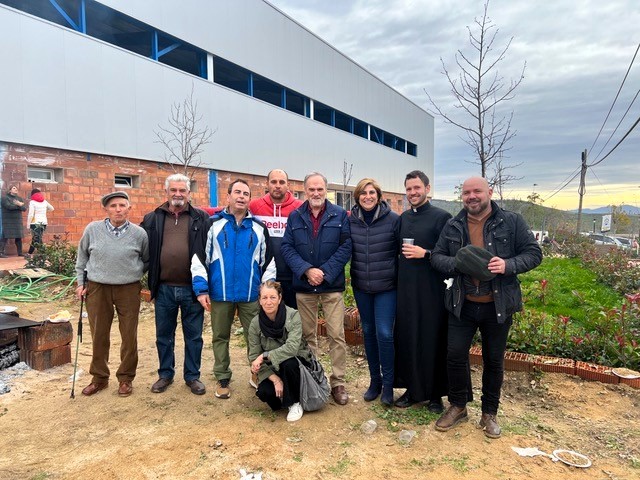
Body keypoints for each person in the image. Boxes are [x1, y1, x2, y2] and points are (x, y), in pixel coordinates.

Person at [431, 176, 542, 438]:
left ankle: (489, 413)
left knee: (494, 360)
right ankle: (458, 406)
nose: (472, 196)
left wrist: (507, 265)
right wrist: (458, 264)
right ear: (462, 197)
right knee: (455, 355)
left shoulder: (511, 221)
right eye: (467, 192)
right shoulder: (453, 224)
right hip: (462, 303)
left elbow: (534, 253)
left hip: (498, 306)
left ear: (489, 192)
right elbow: (436, 257)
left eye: (477, 191)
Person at [191, 179, 275, 400]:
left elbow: (268, 262)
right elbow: (199, 259)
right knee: (220, 336)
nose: (241, 197)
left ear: (250, 199)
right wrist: (201, 290)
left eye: (246, 194)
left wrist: (266, 291)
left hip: (250, 296)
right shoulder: (213, 225)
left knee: (256, 336)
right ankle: (222, 377)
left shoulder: (258, 228)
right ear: (227, 196)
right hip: (221, 294)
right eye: (237, 192)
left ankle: (257, 373)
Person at [281, 172, 352, 405]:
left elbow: (346, 247)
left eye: (320, 189)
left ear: (326, 190)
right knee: (307, 336)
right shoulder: (295, 216)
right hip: (304, 285)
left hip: (331, 286)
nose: (316, 193)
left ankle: (338, 382)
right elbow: (287, 248)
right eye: (311, 189)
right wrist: (307, 270)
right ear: (304, 190)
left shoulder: (340, 215)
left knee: (336, 335)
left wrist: (325, 272)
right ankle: (313, 378)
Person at [141, 174, 210, 395]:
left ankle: (192, 376)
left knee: (194, 337)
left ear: (189, 193)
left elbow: (210, 252)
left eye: (182, 190)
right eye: (174, 190)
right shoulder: (153, 218)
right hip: (164, 289)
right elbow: (138, 248)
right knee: (164, 335)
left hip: (193, 290)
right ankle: (165, 375)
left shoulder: (201, 218)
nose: (178, 194)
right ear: (166, 192)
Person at [75, 191, 149, 397]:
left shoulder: (139, 234)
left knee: (129, 334)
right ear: (106, 209)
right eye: (114, 206)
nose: (118, 209)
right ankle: (99, 378)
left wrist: (132, 273)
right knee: (98, 334)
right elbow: (82, 259)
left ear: (129, 208)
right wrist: (81, 283)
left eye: (122, 205)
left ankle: (126, 378)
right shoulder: (92, 229)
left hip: (128, 288)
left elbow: (146, 259)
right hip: (98, 288)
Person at [394, 170, 452, 411]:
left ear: (428, 189)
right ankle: (413, 390)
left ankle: (436, 394)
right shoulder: (403, 218)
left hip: (432, 292)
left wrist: (425, 253)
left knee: (432, 340)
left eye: (417, 188)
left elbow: (452, 255)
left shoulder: (443, 218)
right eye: (408, 189)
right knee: (409, 338)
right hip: (407, 290)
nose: (412, 193)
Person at [349, 178, 400, 406]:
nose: (367, 196)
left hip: (387, 287)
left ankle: (389, 385)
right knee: (368, 332)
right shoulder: (350, 222)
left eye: (372, 193)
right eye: (363, 193)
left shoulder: (393, 220)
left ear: (379, 196)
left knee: (385, 334)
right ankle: (375, 382)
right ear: (357, 197)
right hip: (362, 286)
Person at [248, 280, 312, 422]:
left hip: (295, 363)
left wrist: (265, 355)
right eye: (264, 298)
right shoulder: (255, 323)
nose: (268, 302)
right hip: (272, 368)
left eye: (273, 297)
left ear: (280, 298)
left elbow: (292, 348)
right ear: (259, 300)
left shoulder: (293, 315)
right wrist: (275, 379)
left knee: (288, 363)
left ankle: (295, 402)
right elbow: (253, 355)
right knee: (265, 393)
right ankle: (284, 392)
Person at [249, 169, 303, 309]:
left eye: (281, 182)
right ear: (267, 184)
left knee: (292, 318)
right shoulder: (254, 206)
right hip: (265, 274)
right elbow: (230, 210)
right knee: (268, 319)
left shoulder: (300, 207)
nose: (277, 185)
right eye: (273, 182)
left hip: (292, 275)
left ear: (288, 185)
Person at [0, 184, 27, 258]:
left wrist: (19, 205)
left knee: (18, 236)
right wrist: (19, 205)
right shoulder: (5, 198)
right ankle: (1, 252)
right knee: (5, 236)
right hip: (8, 220)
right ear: (10, 190)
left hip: (17, 220)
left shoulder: (19, 198)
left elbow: (24, 209)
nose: (16, 189)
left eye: (16, 188)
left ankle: (20, 253)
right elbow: (9, 206)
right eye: (14, 188)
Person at [26, 188, 54, 255]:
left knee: (36, 238)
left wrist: (28, 224)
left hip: (35, 223)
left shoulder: (32, 202)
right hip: (43, 222)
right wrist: (43, 211)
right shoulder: (44, 201)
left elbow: (31, 214)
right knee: (37, 238)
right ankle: (32, 253)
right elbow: (52, 208)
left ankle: (40, 253)